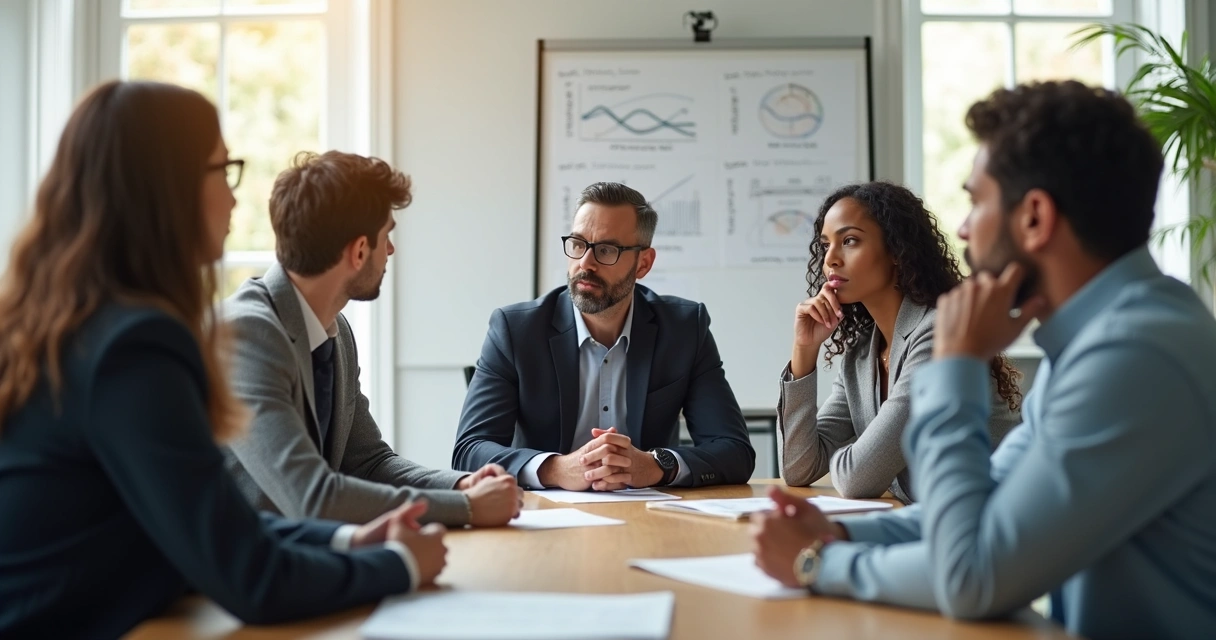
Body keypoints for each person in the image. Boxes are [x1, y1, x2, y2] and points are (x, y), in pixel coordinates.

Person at [751, 81, 1216, 639]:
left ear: (1036, 217)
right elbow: (991, 500)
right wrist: (839, 537)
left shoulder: (1136, 356)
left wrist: (816, 565)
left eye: (976, 202)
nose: (965, 229)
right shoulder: (1102, 340)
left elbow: (973, 575)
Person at [0, 81, 447, 638]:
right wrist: (401, 564)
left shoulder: (87, 323)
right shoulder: (135, 346)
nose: (236, 197)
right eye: (224, 168)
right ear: (168, 189)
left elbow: (214, 523)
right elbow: (250, 577)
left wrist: (348, 539)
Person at [222, 150, 521, 527]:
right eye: (387, 236)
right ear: (360, 250)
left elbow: (369, 462)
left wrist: (461, 486)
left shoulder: (336, 330)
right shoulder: (246, 334)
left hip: (309, 557)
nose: (391, 250)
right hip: (231, 574)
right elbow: (310, 497)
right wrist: (467, 508)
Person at [452, 182, 755, 490]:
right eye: (578, 244)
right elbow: (469, 450)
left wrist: (655, 466)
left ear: (643, 263)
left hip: (648, 516)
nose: (585, 262)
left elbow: (734, 450)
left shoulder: (684, 329)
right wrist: (556, 469)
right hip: (543, 517)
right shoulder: (516, 331)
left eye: (607, 250)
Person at [779, 181, 1021, 502]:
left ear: (895, 249)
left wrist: (851, 457)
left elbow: (857, 479)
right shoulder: (862, 353)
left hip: (999, 522)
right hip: (929, 520)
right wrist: (804, 350)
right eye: (826, 245)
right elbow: (798, 467)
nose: (831, 260)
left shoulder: (937, 333)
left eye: (849, 241)